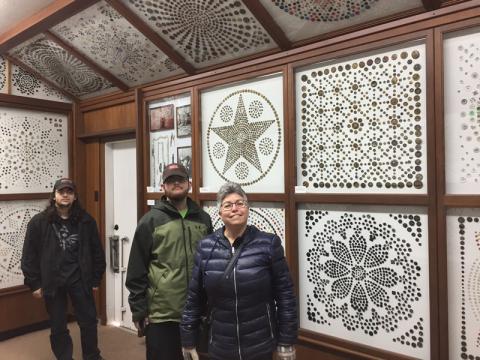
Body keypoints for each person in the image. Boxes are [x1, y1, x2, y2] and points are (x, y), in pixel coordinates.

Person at [180, 182, 298, 360]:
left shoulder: (268, 244)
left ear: (247, 208)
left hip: (260, 342)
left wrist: (286, 340)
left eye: (240, 203)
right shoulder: (206, 247)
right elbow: (194, 296)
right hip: (220, 343)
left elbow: (285, 295)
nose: (234, 209)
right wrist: (188, 339)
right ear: (219, 212)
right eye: (228, 205)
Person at [126, 163, 213, 360]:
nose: (176, 183)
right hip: (161, 313)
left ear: (189, 184)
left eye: (180, 179)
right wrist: (139, 310)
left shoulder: (203, 219)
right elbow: (136, 269)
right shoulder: (150, 221)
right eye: (170, 180)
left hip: (196, 310)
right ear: (162, 187)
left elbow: (210, 263)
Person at [21, 178, 106, 360]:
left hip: (80, 280)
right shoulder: (39, 222)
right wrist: (34, 283)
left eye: (69, 192)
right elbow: (29, 256)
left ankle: (92, 356)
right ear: (54, 196)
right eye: (62, 192)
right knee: (58, 326)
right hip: (53, 282)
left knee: (89, 322)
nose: (65, 195)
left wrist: (96, 278)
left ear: (75, 197)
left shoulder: (86, 221)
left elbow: (97, 251)